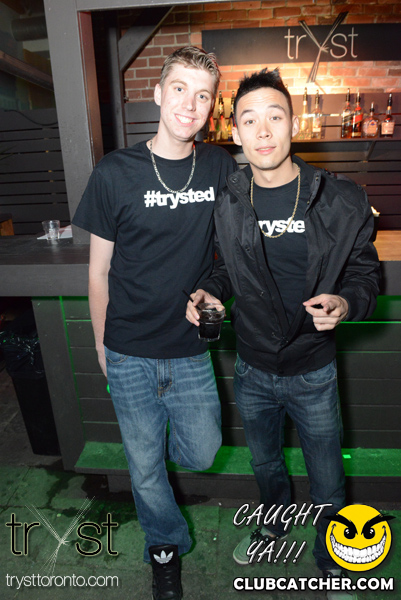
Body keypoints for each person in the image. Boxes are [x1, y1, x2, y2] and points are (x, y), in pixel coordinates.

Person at [186, 68, 380, 600]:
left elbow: (365, 276)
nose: (264, 130)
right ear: (236, 132)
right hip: (252, 367)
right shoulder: (227, 199)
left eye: (275, 116)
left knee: (327, 477)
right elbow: (225, 269)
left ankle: (334, 558)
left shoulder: (340, 199)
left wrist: (345, 303)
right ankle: (274, 525)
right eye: (250, 120)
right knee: (266, 463)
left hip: (313, 368)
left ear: (294, 124)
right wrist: (210, 292)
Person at [72, 46, 237, 600]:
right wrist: (102, 345)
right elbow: (98, 272)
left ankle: (152, 455)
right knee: (144, 468)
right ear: (159, 93)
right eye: (180, 89)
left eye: (203, 95)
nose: (189, 103)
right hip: (128, 349)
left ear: (211, 107)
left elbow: (230, 256)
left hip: (188, 350)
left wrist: (214, 291)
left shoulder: (218, 167)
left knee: (203, 452)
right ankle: (165, 547)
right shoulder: (114, 172)